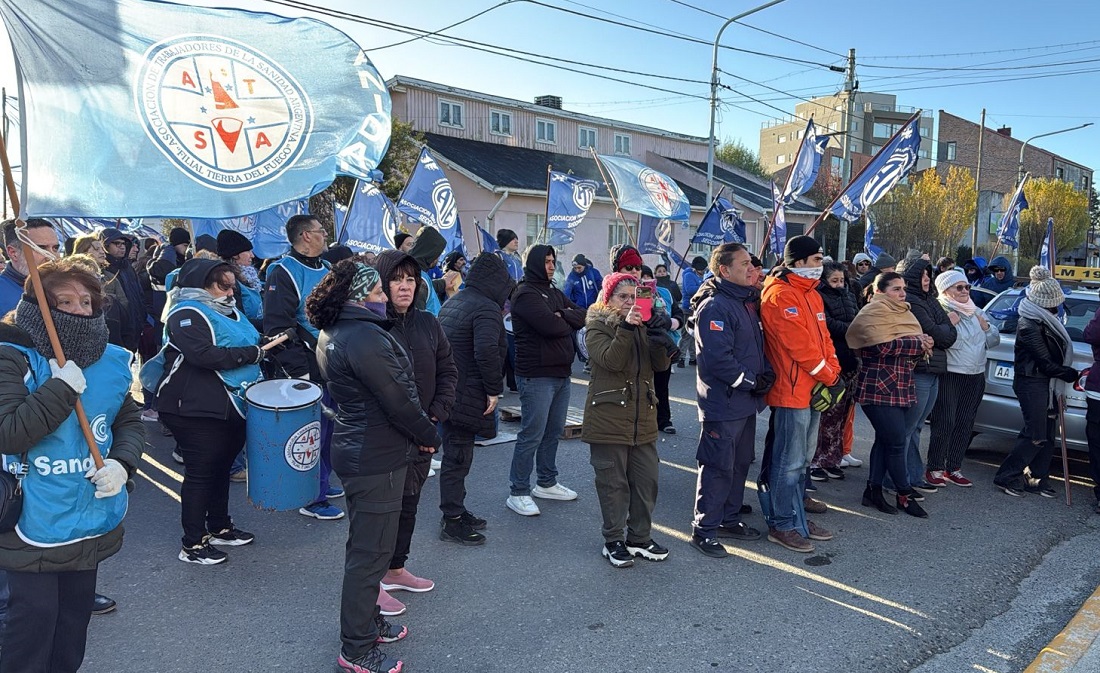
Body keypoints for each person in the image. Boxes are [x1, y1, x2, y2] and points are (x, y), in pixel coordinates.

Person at [0, 257, 143, 672]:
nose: (79, 310)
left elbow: (127, 420)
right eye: (64, 302)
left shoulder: (111, 358)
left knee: (71, 628)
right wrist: (60, 387)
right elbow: (9, 432)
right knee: (31, 629)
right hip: (30, 518)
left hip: (88, 516)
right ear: (38, 305)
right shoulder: (11, 356)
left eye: (86, 301)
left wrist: (122, 463)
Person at [308, 260, 440, 673]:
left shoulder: (340, 330)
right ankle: (356, 649)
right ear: (359, 297)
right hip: (375, 455)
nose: (386, 297)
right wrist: (429, 435)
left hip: (364, 450)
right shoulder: (363, 336)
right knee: (369, 555)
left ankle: (367, 622)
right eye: (379, 292)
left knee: (367, 547)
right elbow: (398, 399)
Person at [156, 259, 264, 564]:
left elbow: (250, 341)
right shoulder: (185, 312)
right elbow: (203, 355)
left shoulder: (228, 310)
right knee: (201, 473)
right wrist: (253, 354)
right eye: (223, 286)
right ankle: (192, 543)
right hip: (191, 407)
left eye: (232, 286)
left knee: (221, 468)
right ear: (200, 285)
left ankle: (219, 526)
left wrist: (267, 343)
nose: (230, 292)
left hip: (230, 402)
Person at [373, 250, 457, 613]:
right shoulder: (371, 326)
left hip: (424, 433)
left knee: (409, 504)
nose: (405, 287)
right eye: (396, 280)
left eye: (410, 279)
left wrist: (435, 417)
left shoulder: (428, 322)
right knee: (382, 512)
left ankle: (395, 568)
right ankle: (372, 581)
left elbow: (448, 371)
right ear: (381, 283)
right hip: (386, 437)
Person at [582, 271, 671, 567]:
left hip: (642, 417)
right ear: (608, 299)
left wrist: (658, 335)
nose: (629, 302)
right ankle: (613, 540)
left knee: (647, 482)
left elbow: (661, 366)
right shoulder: (597, 326)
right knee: (613, 484)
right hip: (608, 417)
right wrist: (627, 328)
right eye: (622, 297)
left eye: (635, 297)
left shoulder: (643, 324)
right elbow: (611, 360)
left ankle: (639, 538)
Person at [689, 243, 772, 558]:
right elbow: (718, 359)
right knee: (718, 466)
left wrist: (765, 374)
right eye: (745, 264)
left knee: (739, 463)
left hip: (745, 403)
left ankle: (729, 517)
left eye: (751, 263)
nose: (752, 269)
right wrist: (750, 381)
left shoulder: (746, 301)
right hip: (723, 404)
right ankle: (704, 529)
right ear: (724, 270)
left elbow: (755, 348)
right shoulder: (716, 306)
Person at [758, 236, 840, 553]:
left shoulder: (812, 294)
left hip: (814, 387)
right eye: (816, 259)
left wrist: (833, 373)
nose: (820, 265)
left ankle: (797, 517)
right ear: (799, 262)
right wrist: (830, 376)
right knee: (789, 462)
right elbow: (800, 348)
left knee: (803, 460)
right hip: (791, 392)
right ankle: (781, 524)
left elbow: (824, 339)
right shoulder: (779, 294)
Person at [263, 214, 342, 520]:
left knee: (331, 431)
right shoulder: (283, 271)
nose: (325, 235)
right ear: (306, 236)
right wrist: (300, 372)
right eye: (321, 231)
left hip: (333, 358)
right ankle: (311, 497)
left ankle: (322, 481)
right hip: (309, 364)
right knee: (313, 433)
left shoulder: (327, 268)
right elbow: (278, 328)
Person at [437, 253, 513, 543]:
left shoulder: (456, 300)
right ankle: (452, 519)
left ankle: (456, 509)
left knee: (457, 454)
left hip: (449, 389)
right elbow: (486, 351)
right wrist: (494, 390)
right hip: (466, 391)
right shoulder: (486, 308)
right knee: (457, 457)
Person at [506, 244, 586, 516]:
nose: (552, 266)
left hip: (561, 373)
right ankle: (518, 491)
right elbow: (551, 327)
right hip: (536, 375)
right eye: (547, 261)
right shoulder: (525, 293)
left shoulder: (553, 291)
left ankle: (546, 482)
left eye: (553, 261)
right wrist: (564, 319)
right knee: (532, 434)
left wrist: (563, 314)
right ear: (535, 263)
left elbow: (583, 315)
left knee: (553, 432)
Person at [846, 272, 932, 518]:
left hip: (901, 384)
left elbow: (911, 345)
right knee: (896, 441)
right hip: (878, 385)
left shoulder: (904, 312)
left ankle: (872, 491)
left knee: (885, 440)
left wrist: (922, 343)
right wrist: (918, 343)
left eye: (903, 288)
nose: (902, 293)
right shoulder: (872, 312)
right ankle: (904, 494)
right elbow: (880, 346)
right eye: (896, 289)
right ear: (880, 291)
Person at [993, 267, 1078, 498]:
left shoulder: (1047, 319)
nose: (1059, 305)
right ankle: (1006, 475)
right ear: (1046, 302)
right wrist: (1069, 373)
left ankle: (1036, 477)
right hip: (1031, 381)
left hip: (1045, 383)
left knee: (1048, 434)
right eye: (1056, 301)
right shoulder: (1028, 324)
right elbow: (1044, 362)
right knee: (1035, 433)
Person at [927, 269, 1000, 488]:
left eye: (967, 287)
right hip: (951, 373)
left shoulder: (976, 310)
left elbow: (994, 340)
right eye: (959, 287)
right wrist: (947, 324)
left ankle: (953, 468)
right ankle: (935, 467)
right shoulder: (940, 309)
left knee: (965, 421)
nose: (965, 291)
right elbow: (935, 337)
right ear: (945, 290)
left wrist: (987, 328)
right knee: (945, 421)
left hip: (975, 374)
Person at [891, 257, 956, 495]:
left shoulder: (930, 300)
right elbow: (937, 332)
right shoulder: (913, 301)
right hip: (919, 370)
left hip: (933, 369)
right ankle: (898, 480)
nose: (927, 279)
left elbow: (949, 334)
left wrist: (943, 330)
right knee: (907, 428)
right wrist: (943, 329)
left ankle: (913, 476)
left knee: (917, 426)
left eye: (929, 275)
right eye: (923, 275)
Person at [811, 261, 860, 480]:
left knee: (841, 416)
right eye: (834, 280)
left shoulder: (849, 295)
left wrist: (855, 329)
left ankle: (832, 458)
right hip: (831, 359)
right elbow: (826, 324)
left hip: (850, 359)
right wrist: (851, 329)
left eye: (841, 280)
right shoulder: (818, 296)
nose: (839, 284)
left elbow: (858, 318)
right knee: (826, 415)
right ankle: (816, 460)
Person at [638, 263, 683, 434]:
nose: (646, 281)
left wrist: (669, 322)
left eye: (648, 277)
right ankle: (644, 420)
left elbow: (678, 314)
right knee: (642, 386)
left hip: (663, 345)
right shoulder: (632, 294)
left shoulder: (664, 293)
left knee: (662, 385)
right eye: (642, 278)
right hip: (641, 345)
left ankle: (664, 420)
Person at [100, 228, 149, 354]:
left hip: (135, 326)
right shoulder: (104, 270)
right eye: (117, 243)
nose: (122, 247)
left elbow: (139, 295)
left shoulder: (128, 267)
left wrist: (142, 318)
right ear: (105, 246)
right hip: (118, 330)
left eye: (124, 244)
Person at [216, 230, 263, 324]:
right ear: (235, 255)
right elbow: (235, 318)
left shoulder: (249, 277)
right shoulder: (229, 283)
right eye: (248, 251)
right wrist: (265, 324)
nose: (252, 255)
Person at [406, 227, 445, 316]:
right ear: (430, 253)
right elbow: (416, 318)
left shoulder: (417, 273)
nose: (438, 259)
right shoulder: (418, 278)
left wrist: (443, 283)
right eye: (437, 254)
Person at [680, 256, 707, 366]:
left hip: (697, 308)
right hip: (689, 308)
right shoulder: (689, 275)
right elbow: (690, 290)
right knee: (686, 334)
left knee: (693, 334)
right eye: (702, 269)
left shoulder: (698, 275)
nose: (703, 271)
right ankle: (681, 357)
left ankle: (692, 357)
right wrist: (703, 286)